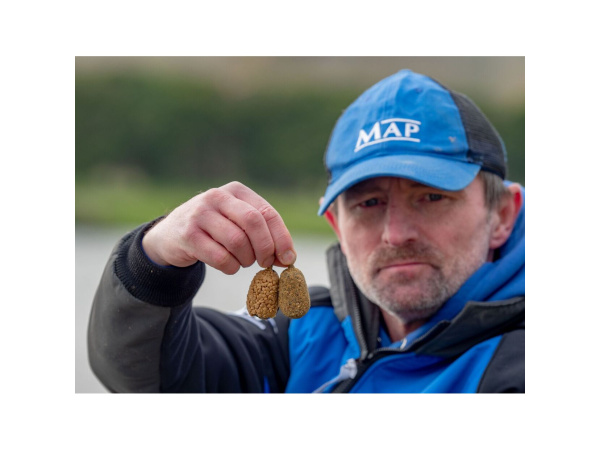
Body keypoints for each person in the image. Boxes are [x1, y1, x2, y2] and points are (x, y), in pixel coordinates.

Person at [88, 69, 525, 393]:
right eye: (369, 203)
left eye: (431, 197)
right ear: (337, 225)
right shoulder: (304, 331)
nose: (395, 234)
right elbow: (149, 380)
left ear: (503, 214)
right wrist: (153, 260)